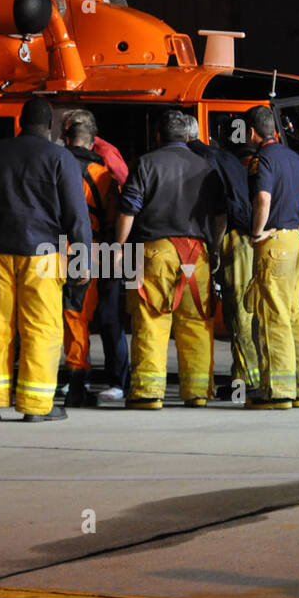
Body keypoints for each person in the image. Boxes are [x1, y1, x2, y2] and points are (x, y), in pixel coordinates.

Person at [0, 97, 91, 423]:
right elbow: (76, 214)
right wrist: (81, 258)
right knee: (41, 328)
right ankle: (36, 407)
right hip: (42, 254)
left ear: (20, 122)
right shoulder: (60, 157)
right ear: (50, 125)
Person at [114, 108, 226, 408]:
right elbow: (219, 217)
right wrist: (213, 249)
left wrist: (119, 247)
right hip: (197, 254)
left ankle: (148, 394)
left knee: (151, 320)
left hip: (155, 253)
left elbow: (129, 209)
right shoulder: (206, 166)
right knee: (196, 324)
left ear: (158, 135)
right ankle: (198, 393)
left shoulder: (146, 163)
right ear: (188, 136)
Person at [245, 105, 299, 409]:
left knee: (272, 317)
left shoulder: (265, 159)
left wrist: (258, 232)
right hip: (296, 243)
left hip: (275, 245)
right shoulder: (293, 157)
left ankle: (277, 392)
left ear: (253, 132)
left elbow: (263, 198)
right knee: (296, 317)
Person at [184, 114, 258, 399]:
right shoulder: (221, 155)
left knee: (239, 313)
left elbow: (220, 211)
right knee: (238, 311)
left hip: (231, 238)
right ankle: (242, 377)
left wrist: (213, 248)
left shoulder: (198, 161)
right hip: (241, 238)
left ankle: (249, 381)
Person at [60, 108, 130, 403]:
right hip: (102, 248)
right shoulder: (103, 173)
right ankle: (116, 381)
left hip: (64, 249)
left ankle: (76, 378)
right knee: (110, 317)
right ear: (92, 141)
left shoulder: (56, 167)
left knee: (73, 315)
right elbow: (116, 215)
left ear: (67, 138)